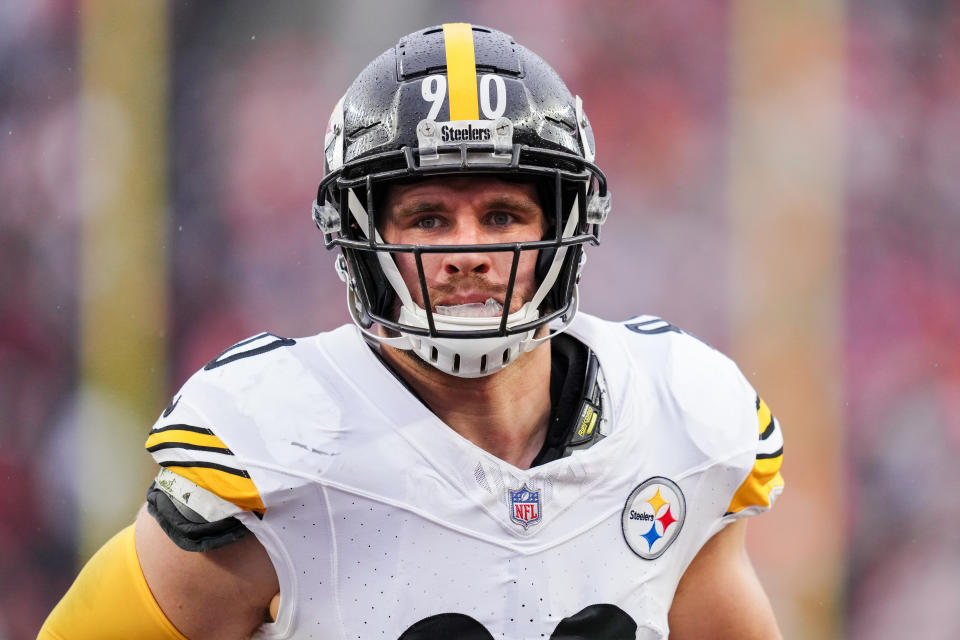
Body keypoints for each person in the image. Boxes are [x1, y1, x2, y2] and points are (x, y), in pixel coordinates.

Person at [40, 23, 784, 640]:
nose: (465, 250)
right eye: (429, 218)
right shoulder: (280, 444)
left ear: (564, 226)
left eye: (502, 216)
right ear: (360, 232)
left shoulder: (678, 419)